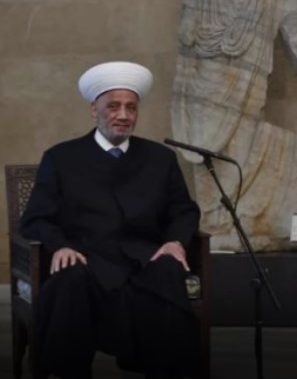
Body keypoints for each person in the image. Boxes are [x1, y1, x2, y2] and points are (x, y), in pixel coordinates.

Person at [20, 61, 201, 379]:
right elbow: (36, 218)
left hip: (144, 259)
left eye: (131, 107)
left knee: (169, 272)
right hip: (85, 257)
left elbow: (183, 210)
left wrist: (175, 242)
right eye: (113, 106)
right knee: (68, 281)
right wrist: (60, 245)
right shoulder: (61, 158)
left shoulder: (160, 158)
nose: (123, 115)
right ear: (94, 110)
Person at [171, 0, 297, 253]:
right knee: (205, 142)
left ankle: (243, 218)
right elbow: (189, 16)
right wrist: (190, 30)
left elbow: (291, 12)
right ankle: (214, 219)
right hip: (208, 66)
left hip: (250, 64)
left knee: (245, 136)